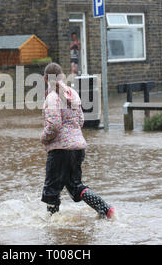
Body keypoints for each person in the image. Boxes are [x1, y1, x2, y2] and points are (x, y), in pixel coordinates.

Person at [40, 62, 115, 219]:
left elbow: (54, 125)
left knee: (51, 190)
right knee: (76, 186)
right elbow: (81, 120)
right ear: (62, 76)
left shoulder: (52, 97)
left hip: (60, 150)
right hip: (78, 149)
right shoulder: (73, 93)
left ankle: (52, 225)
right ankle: (105, 209)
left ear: (45, 79)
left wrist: (44, 138)